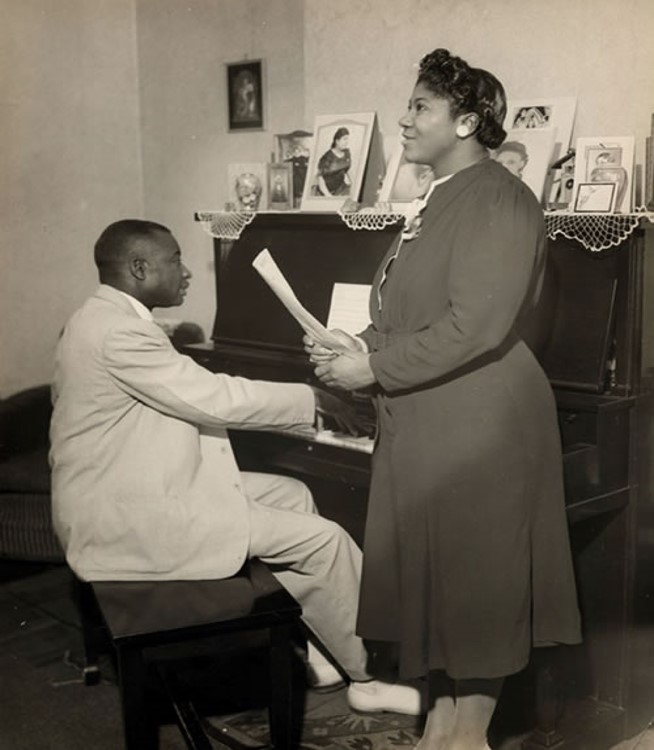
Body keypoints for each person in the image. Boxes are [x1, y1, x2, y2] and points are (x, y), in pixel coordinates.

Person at [305, 48, 581, 750]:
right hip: (431, 418)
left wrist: (373, 369)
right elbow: (408, 312)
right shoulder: (435, 200)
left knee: (478, 587)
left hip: (481, 422)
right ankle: (445, 734)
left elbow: (475, 326)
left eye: (419, 107)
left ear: (465, 122)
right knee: (447, 587)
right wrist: (353, 346)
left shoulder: (499, 198)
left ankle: (463, 738)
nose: (403, 119)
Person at [49, 219, 422, 715]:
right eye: (176, 260)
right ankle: (368, 677)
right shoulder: (119, 333)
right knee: (325, 540)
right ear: (139, 268)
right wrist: (313, 399)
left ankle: (325, 650)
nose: (187, 273)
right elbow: (213, 397)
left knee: (294, 494)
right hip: (126, 516)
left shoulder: (102, 317)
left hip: (130, 487)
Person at [315, 126, 352, 196]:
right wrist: (329, 196)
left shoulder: (347, 153)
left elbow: (347, 171)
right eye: (345, 139)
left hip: (341, 189)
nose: (347, 142)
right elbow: (320, 178)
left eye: (348, 139)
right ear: (337, 141)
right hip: (326, 192)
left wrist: (353, 187)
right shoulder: (327, 157)